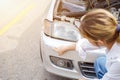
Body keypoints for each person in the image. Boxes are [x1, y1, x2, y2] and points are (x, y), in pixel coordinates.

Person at [53, 9, 120, 80]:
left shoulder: (117, 61)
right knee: (100, 62)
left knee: (100, 63)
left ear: (100, 42)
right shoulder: (114, 33)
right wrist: (66, 48)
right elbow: (88, 44)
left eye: (88, 38)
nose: (87, 40)